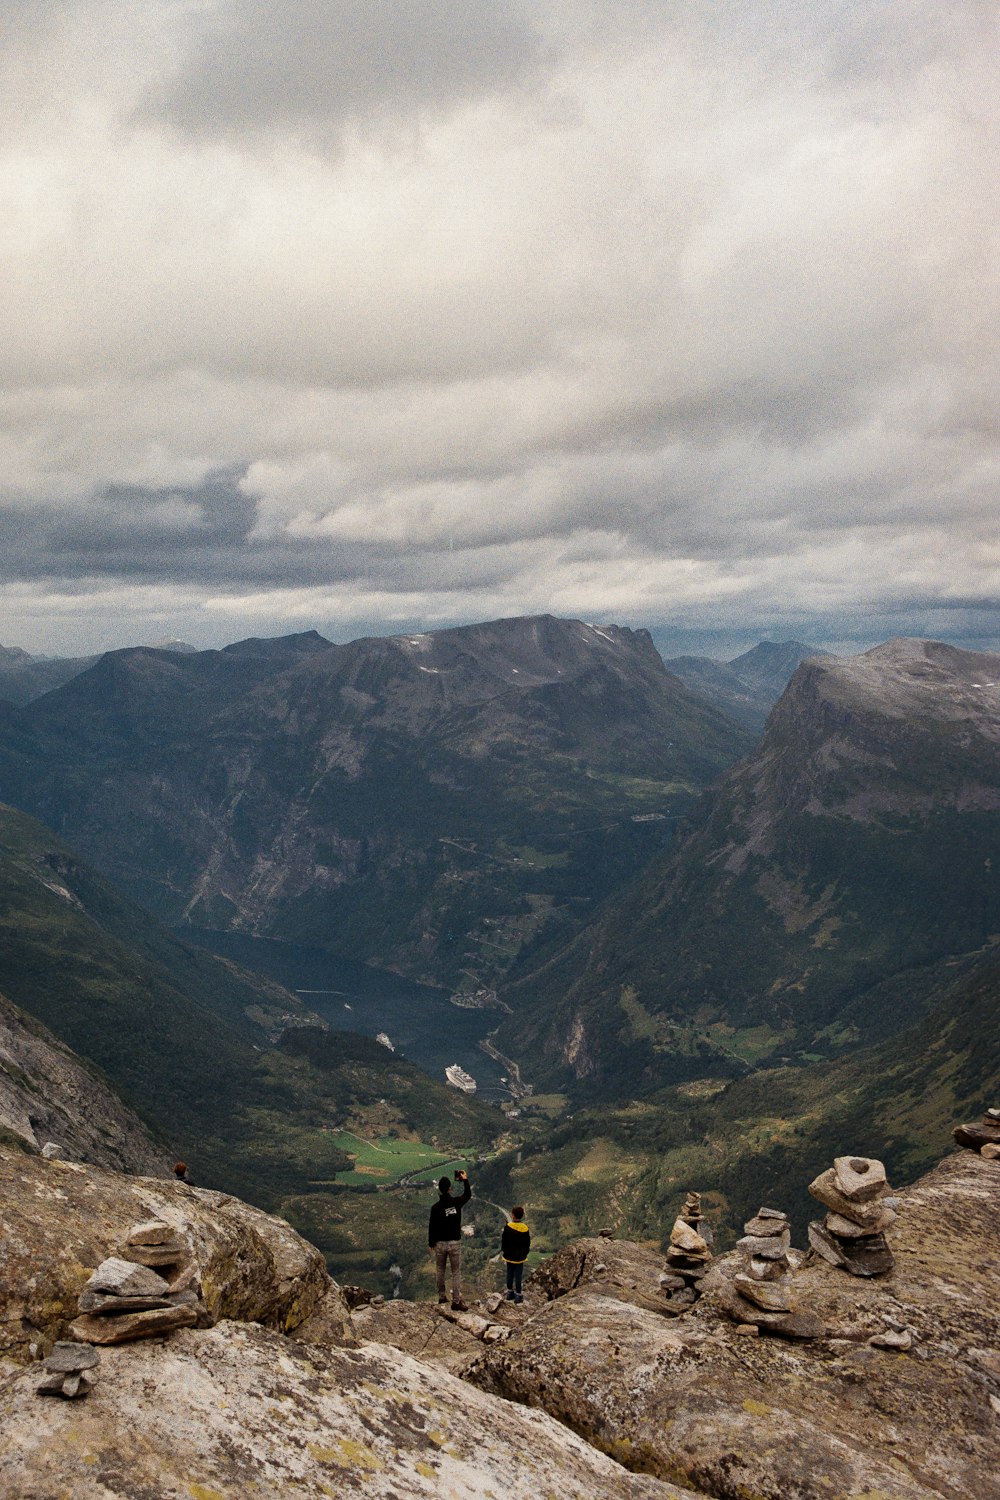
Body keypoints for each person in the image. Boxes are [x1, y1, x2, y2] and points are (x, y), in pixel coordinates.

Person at [428, 1169, 471, 1310]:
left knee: (440, 1270)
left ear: (440, 1190)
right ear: (450, 1189)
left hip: (439, 1243)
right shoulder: (456, 1202)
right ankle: (456, 1301)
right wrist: (465, 1179)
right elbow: (468, 1195)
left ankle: (441, 1297)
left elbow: (432, 1226)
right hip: (454, 1242)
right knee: (456, 1272)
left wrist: (431, 1242)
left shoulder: (435, 1208)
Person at [501, 1204, 530, 1303]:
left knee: (509, 1273)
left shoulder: (508, 1227)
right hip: (520, 1257)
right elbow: (527, 1243)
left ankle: (509, 1293)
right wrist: (525, 1253)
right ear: (522, 1215)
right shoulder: (525, 1228)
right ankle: (518, 1295)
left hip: (509, 1256)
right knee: (518, 1275)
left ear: (513, 1215)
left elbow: (504, 1241)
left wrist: (504, 1251)